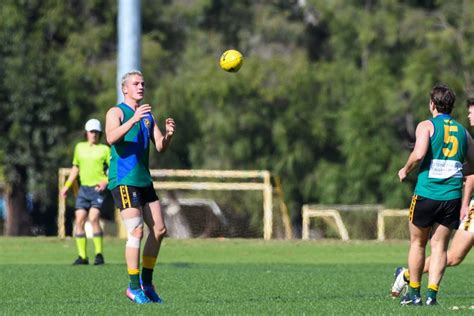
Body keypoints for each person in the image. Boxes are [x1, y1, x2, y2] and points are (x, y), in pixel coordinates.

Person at [395, 85, 474, 306]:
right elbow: (473, 164)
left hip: (426, 194)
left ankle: (414, 295)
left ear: (432, 104)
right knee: (440, 247)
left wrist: (405, 170)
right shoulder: (463, 131)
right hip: (451, 198)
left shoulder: (426, 126)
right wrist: (456, 169)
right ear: (452, 106)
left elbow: (419, 153)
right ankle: (432, 296)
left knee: (418, 244)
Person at [105, 70, 175, 304]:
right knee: (136, 231)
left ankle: (147, 283)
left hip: (144, 180)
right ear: (125, 89)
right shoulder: (116, 112)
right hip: (124, 180)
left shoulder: (148, 116)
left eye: (143, 83)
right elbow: (111, 137)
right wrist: (133, 119)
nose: (141, 86)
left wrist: (168, 135)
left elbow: (160, 146)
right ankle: (133, 288)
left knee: (160, 230)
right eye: (135, 83)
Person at [61, 118, 111, 265]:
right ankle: (82, 256)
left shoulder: (105, 149)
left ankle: (99, 254)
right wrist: (66, 186)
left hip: (97, 189)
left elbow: (112, 169)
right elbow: (75, 168)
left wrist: (105, 182)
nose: (93, 134)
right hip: (84, 189)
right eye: (91, 131)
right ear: (86, 133)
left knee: (94, 218)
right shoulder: (79, 148)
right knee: (80, 220)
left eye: (96, 132)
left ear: (100, 133)